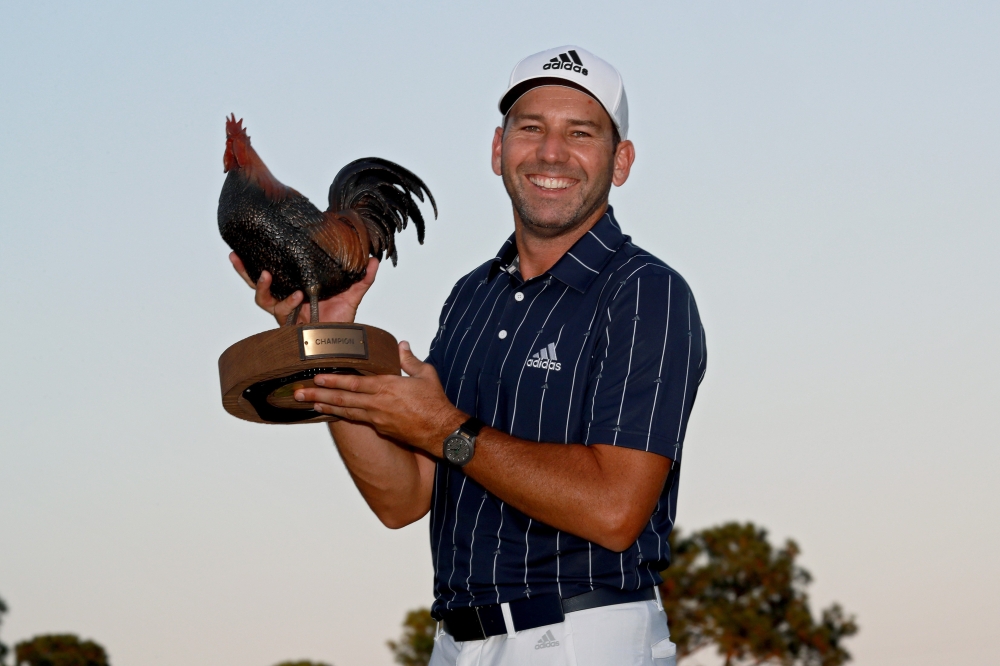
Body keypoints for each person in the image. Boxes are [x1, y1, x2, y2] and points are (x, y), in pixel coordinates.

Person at [231, 45, 706, 666]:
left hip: (582, 636)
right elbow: (403, 499)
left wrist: (448, 430)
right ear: (497, 150)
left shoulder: (645, 291)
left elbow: (616, 510)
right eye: (530, 128)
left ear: (621, 162)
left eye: (580, 133)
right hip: (457, 643)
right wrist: (328, 343)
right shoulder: (471, 297)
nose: (551, 152)